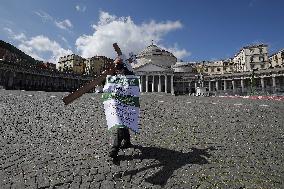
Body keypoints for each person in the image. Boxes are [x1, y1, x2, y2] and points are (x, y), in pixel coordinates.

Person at [101, 57, 140, 160]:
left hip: (127, 105)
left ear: (123, 66)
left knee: (121, 125)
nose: (117, 68)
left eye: (118, 66)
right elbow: (107, 86)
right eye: (115, 66)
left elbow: (134, 88)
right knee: (123, 124)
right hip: (117, 104)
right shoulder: (115, 75)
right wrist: (106, 76)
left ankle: (114, 149)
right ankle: (127, 142)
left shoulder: (130, 75)